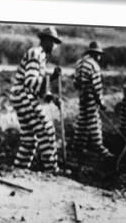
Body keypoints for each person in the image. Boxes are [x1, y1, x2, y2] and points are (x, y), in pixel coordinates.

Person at [8, 26, 62, 173]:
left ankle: (19, 170)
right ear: (46, 41)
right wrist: (51, 78)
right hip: (23, 95)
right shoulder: (35, 53)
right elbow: (30, 81)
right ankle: (52, 170)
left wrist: (52, 97)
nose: (55, 46)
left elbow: (40, 88)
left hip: (22, 96)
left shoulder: (41, 57)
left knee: (30, 138)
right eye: (54, 42)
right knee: (46, 129)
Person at [72, 41, 112, 159]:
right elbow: (97, 87)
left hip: (82, 97)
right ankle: (99, 147)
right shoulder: (94, 66)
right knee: (94, 122)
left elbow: (75, 83)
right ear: (95, 54)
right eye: (99, 54)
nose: (100, 57)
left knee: (83, 121)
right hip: (90, 98)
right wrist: (101, 102)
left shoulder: (79, 63)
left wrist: (82, 91)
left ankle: (78, 146)